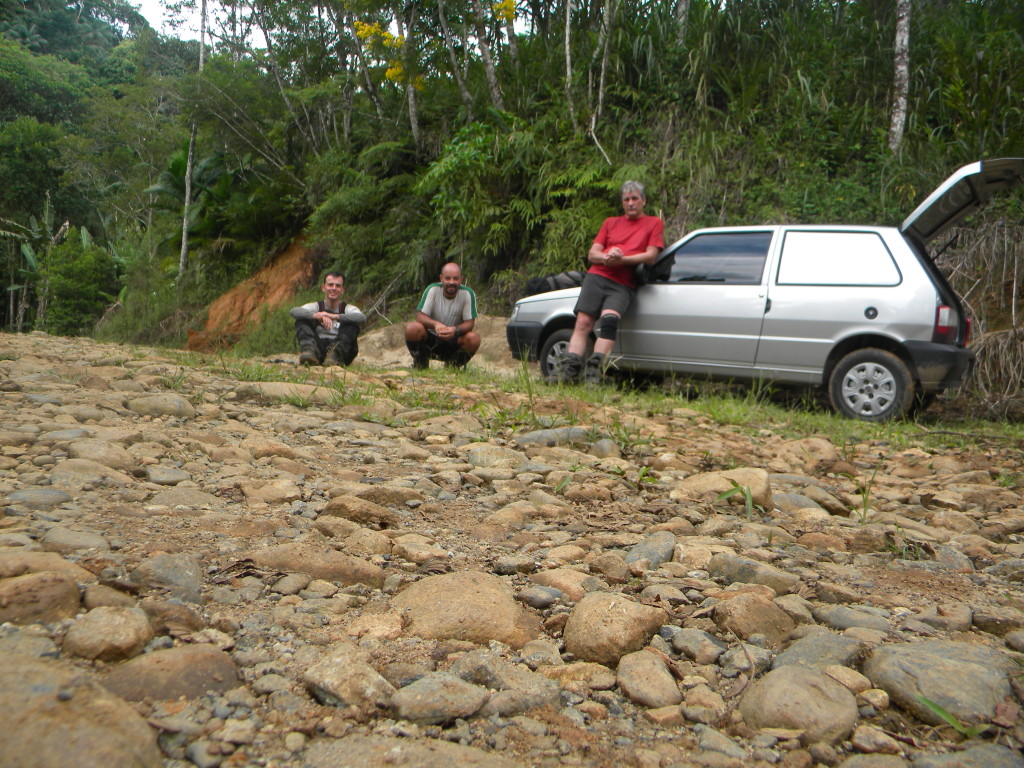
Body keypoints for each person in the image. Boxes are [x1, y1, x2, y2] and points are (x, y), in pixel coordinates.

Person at [557, 181, 664, 384]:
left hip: (623, 282)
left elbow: (651, 256)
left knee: (609, 322)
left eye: (634, 199)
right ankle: (567, 375)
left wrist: (621, 259)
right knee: (583, 323)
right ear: (622, 203)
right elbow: (593, 254)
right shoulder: (610, 222)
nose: (631, 203)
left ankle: (593, 373)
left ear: (643, 201)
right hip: (597, 276)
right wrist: (607, 256)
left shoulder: (653, 223)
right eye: (626, 200)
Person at [405, 262, 481, 369]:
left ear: (461, 279)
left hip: (454, 340)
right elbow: (420, 317)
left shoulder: (468, 294)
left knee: (474, 339)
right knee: (412, 328)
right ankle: (421, 364)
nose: (451, 282)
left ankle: (453, 367)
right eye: (447, 278)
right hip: (431, 339)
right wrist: (436, 325)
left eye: (455, 278)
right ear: (441, 278)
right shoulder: (432, 290)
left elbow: (470, 323)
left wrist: (455, 330)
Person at [290, 271, 366, 366]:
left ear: (342, 289)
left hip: (341, 351)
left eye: (338, 286)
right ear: (323, 288)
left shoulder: (348, 308)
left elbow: (361, 317)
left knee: (352, 324)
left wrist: (335, 316)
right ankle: (309, 352)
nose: (334, 288)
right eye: (330, 285)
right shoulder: (316, 306)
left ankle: (334, 357)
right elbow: (294, 311)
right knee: (302, 320)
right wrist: (316, 316)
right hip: (318, 348)